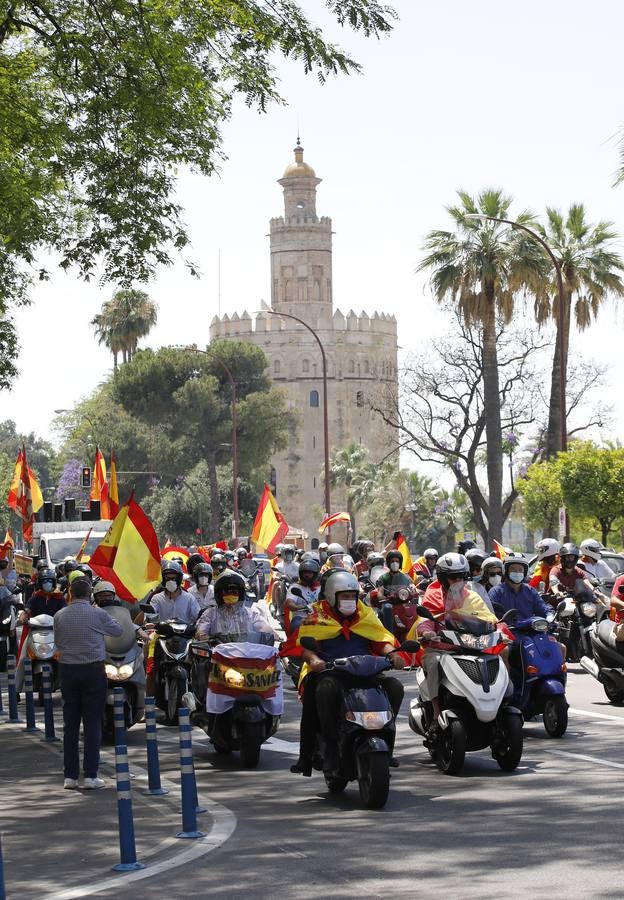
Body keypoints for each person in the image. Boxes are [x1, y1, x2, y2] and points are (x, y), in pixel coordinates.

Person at [290, 569, 405, 777]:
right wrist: (315, 660)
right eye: (345, 597)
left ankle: (387, 741)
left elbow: (381, 641)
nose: (350, 601)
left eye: (353, 596)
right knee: (323, 690)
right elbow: (307, 647)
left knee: (395, 687)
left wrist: (394, 655)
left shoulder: (365, 613)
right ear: (333, 596)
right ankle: (327, 748)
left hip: (365, 670)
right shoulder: (317, 615)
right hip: (332, 672)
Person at [54, 577, 123, 790]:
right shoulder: (98, 614)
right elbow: (118, 631)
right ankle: (91, 775)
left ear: (71, 594)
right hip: (93, 671)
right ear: (89, 594)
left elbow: (58, 641)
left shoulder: (59, 616)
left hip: (68, 672)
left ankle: (70, 777)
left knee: (70, 725)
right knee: (92, 723)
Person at [412, 553, 499, 722]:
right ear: (443, 578)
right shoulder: (433, 594)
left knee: (496, 659)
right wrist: (427, 632)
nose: (458, 580)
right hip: (441, 648)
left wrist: (498, 630)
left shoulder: (472, 596)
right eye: (453, 577)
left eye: (462, 576)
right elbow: (425, 620)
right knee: (433, 662)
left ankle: (498, 703)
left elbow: (489, 618)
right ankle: (436, 709)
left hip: (471, 647)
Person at [195, 570, 273, 639]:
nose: (230, 594)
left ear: (240, 594)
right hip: (218, 654)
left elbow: (264, 627)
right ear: (219, 594)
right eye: (226, 591)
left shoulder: (251, 614)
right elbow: (201, 630)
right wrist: (203, 636)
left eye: (234, 592)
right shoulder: (210, 614)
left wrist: (271, 633)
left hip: (246, 653)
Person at [284, 557, 321, 633]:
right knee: (295, 625)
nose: (306, 575)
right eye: (304, 573)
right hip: (301, 617)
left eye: (309, 573)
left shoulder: (321, 587)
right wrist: (298, 607)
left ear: (315, 574)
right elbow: (290, 603)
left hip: (320, 617)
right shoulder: (295, 587)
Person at [464, 548, 494, 612]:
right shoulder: (464, 588)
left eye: (481, 569)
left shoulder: (493, 587)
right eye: (472, 569)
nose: (479, 573)